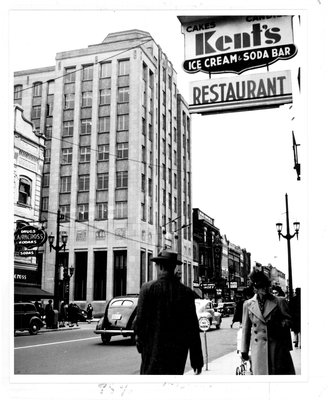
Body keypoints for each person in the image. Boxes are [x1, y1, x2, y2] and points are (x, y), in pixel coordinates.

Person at [134, 249, 204, 375]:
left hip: (152, 354)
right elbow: (193, 328)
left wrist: (141, 344)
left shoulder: (147, 289)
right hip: (176, 357)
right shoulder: (186, 293)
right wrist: (197, 359)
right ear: (173, 267)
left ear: (160, 266)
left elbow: (139, 323)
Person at [240, 270, 295, 375]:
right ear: (255, 289)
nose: (265, 289)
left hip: (277, 349)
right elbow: (246, 330)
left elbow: (289, 321)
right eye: (261, 287)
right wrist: (244, 350)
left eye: (266, 286)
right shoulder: (247, 305)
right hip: (258, 350)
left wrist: (279, 324)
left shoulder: (279, 301)